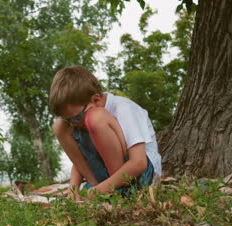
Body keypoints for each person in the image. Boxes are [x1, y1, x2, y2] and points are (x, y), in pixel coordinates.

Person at [49, 65, 161, 200]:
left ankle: (116, 191)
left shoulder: (123, 108)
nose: (73, 124)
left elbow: (139, 163)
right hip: (105, 178)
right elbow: (83, 156)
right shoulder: (79, 116)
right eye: (69, 120)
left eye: (76, 118)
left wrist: (99, 191)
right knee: (59, 125)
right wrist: (74, 188)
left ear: (96, 100)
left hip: (139, 175)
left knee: (95, 118)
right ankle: (97, 186)